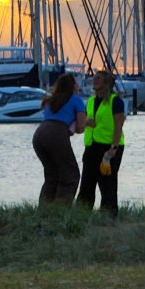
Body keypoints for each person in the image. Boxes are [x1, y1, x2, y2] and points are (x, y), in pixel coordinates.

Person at [33, 74, 87, 204]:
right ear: (74, 85)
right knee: (71, 175)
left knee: (52, 175)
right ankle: (60, 209)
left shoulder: (52, 100)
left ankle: (45, 209)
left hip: (40, 133)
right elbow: (80, 127)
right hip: (57, 133)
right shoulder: (76, 100)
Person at [77, 71, 126, 214]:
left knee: (107, 182)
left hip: (109, 147)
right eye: (94, 77)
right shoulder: (91, 101)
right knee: (87, 181)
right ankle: (82, 213)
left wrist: (114, 147)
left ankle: (109, 214)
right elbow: (85, 121)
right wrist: (86, 122)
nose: (94, 80)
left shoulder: (115, 101)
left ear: (106, 82)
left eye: (98, 77)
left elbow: (119, 125)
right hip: (92, 145)